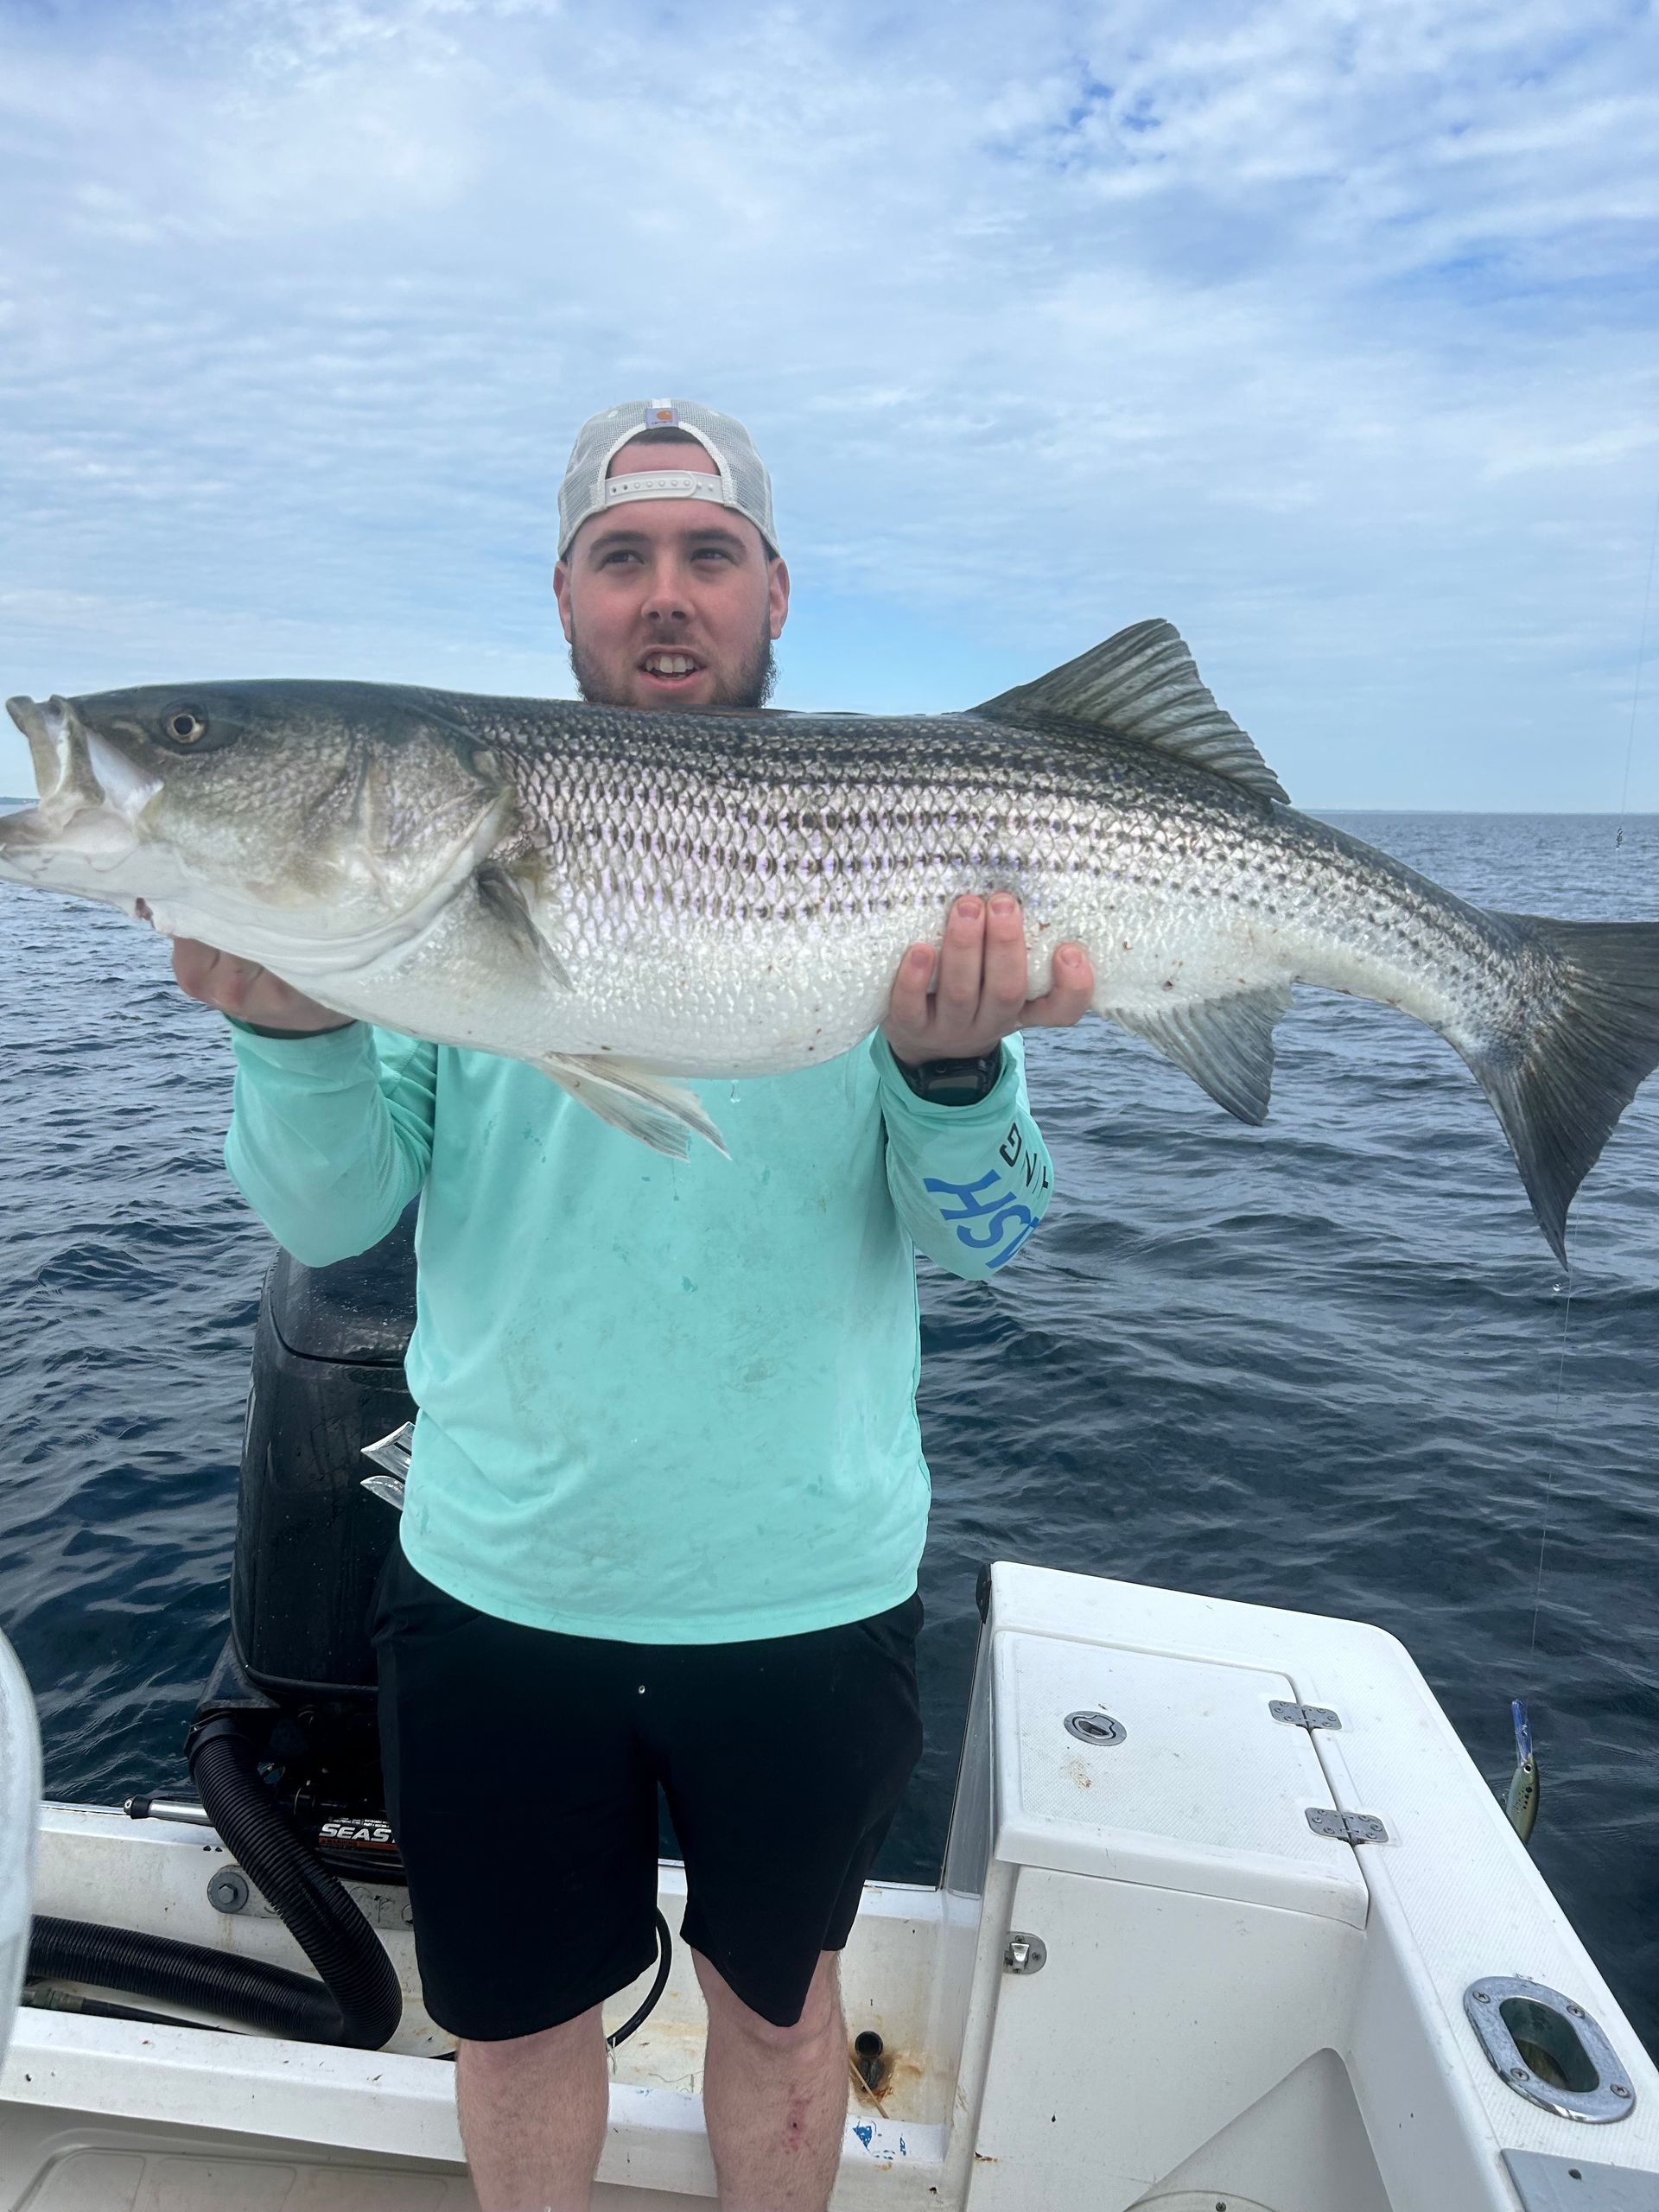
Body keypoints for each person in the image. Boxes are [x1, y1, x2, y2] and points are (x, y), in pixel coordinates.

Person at [173, 398, 1096, 2212]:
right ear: (565, 599)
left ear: (771, 592)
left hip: (807, 1585)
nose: (665, 596)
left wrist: (958, 1068)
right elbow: (337, 1203)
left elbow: (988, 1233)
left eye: (706, 553)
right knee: (513, 2022)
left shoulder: (904, 858)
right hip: (500, 1574)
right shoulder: (423, 908)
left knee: (780, 2002)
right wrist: (290, 1030)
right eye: (622, 556)